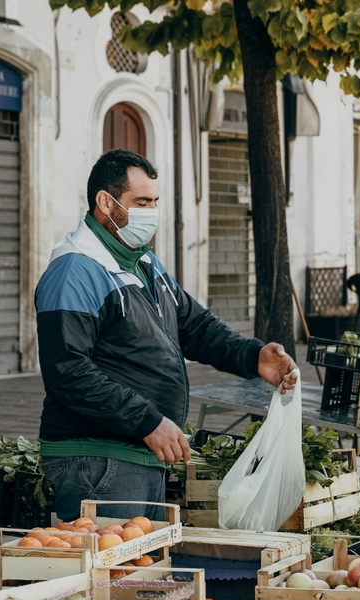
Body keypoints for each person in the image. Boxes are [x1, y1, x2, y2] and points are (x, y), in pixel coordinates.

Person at [35, 150, 298, 522]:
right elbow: (68, 373)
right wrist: (148, 421)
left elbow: (195, 326)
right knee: (115, 576)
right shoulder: (74, 271)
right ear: (105, 203)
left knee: (140, 574)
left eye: (155, 201)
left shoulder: (142, 262)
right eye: (141, 202)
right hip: (99, 459)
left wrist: (253, 357)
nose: (152, 212)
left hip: (142, 454)